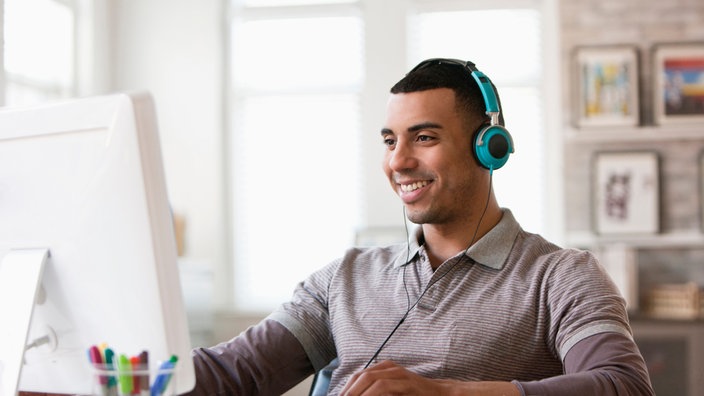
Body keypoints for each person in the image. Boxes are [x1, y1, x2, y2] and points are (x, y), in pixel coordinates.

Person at [187, 58, 654, 395]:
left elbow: (623, 385)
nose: (398, 161)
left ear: (488, 148)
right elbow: (234, 373)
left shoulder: (561, 277)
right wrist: (127, 371)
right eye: (390, 141)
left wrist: (445, 395)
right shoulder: (343, 279)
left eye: (424, 138)